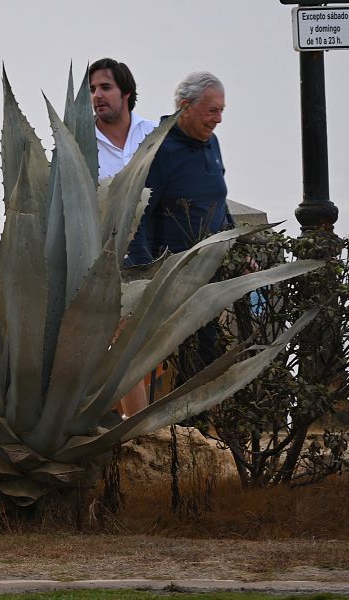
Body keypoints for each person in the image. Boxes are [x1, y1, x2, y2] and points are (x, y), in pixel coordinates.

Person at [127, 71, 235, 379]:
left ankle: (200, 424)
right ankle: (185, 424)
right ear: (186, 107)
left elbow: (219, 198)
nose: (218, 119)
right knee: (183, 360)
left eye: (222, 110)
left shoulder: (211, 144)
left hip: (209, 273)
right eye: (212, 110)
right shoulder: (160, 149)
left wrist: (237, 243)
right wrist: (144, 274)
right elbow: (140, 217)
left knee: (207, 354)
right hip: (173, 276)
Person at [88, 58, 157, 418]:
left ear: (126, 93)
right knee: (124, 340)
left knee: (148, 345)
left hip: (153, 250)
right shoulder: (83, 142)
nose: (97, 96)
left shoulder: (153, 133)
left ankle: (129, 421)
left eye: (106, 87)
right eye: (93, 90)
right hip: (108, 256)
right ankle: (139, 428)